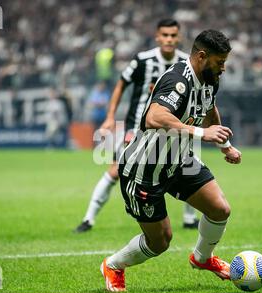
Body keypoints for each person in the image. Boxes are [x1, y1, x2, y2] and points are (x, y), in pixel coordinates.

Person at [100, 29, 242, 292]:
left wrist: (225, 145)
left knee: (220, 209)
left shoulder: (209, 78)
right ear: (201, 56)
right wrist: (202, 133)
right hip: (146, 168)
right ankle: (114, 264)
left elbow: (209, 108)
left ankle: (202, 259)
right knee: (161, 242)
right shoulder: (177, 80)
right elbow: (155, 117)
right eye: (220, 62)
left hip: (179, 163)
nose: (223, 68)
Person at [74, 19, 199, 233]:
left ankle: (189, 218)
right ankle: (88, 219)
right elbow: (121, 84)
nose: (169, 39)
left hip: (173, 130)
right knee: (116, 171)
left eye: (173, 35)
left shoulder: (186, 63)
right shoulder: (143, 60)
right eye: (165, 35)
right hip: (138, 129)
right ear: (157, 37)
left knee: (190, 167)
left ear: (179, 37)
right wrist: (110, 116)